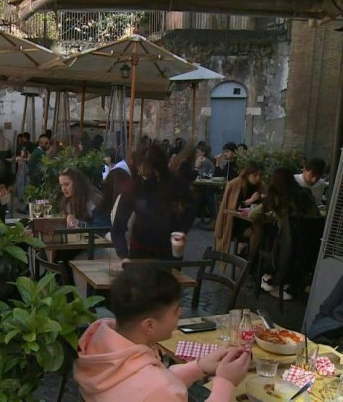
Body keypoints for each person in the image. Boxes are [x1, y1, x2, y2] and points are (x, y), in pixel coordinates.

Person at [74, 267, 250, 402]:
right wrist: (225, 383)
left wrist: (199, 367)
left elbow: (142, 384)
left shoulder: (99, 340)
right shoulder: (159, 387)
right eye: (175, 310)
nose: (180, 313)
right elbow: (156, 388)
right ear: (149, 325)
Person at [111, 145, 195, 259]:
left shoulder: (176, 185)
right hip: (140, 251)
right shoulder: (135, 187)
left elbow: (190, 210)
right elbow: (118, 227)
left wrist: (181, 231)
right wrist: (124, 255)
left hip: (169, 251)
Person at [257, 168, 319, 298]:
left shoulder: (276, 197)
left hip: (286, 246)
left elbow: (254, 214)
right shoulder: (305, 193)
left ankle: (268, 275)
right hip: (310, 245)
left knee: (268, 233)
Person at [214, 161, 265, 255]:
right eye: (255, 175)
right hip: (235, 222)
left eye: (260, 175)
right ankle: (249, 259)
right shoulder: (236, 184)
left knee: (266, 230)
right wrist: (249, 201)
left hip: (252, 219)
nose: (258, 178)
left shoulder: (261, 186)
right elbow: (231, 206)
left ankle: (252, 259)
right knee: (257, 231)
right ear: (247, 174)